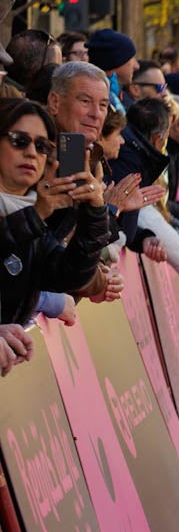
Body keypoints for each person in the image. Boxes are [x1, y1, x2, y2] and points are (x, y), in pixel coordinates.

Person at [0, 97, 116, 328]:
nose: (32, 152)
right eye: (19, 141)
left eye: (42, 146)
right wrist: (35, 215)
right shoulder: (34, 214)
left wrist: (93, 211)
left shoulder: (34, 214)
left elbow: (69, 276)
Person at [85, 29, 138, 113]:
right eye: (131, 59)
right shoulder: (107, 102)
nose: (136, 66)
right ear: (115, 63)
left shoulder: (120, 97)